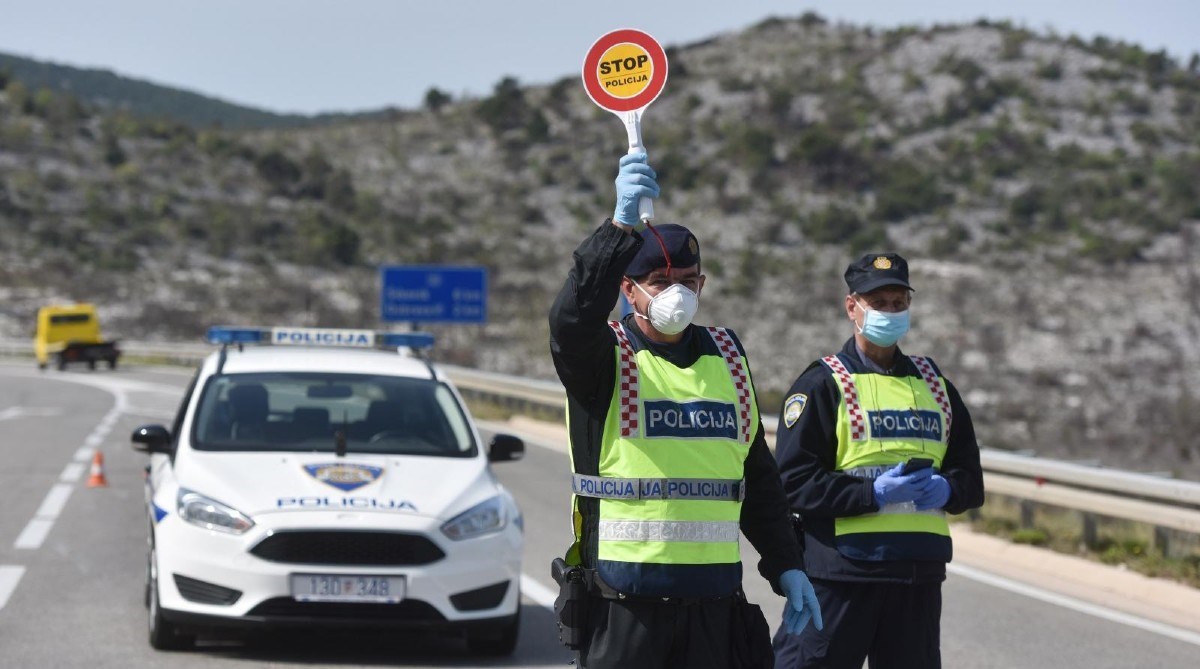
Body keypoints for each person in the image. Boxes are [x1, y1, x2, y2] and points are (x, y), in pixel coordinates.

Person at [548, 153, 822, 669]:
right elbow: (570, 319)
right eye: (659, 281)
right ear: (627, 290)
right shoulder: (603, 358)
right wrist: (618, 229)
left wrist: (787, 563)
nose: (678, 293)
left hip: (714, 606)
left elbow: (754, 475)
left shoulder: (727, 355)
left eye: (689, 281)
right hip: (625, 606)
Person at [771, 252, 985, 669]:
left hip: (916, 576)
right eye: (878, 303)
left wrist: (947, 489)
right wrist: (873, 493)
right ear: (852, 307)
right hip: (842, 575)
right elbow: (792, 484)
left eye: (898, 303)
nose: (890, 312)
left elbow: (970, 481)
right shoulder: (822, 385)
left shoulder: (936, 386)